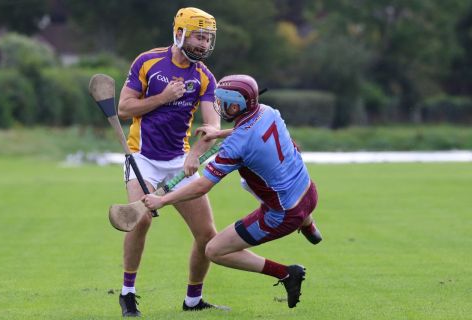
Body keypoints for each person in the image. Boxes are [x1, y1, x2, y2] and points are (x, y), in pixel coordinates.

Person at [142, 74, 323, 309]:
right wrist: (219, 134)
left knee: (214, 250)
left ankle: (287, 273)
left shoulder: (237, 145)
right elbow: (247, 132)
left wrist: (162, 200)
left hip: (284, 215)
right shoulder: (268, 111)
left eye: (223, 102)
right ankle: (310, 227)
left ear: (236, 104)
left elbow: (202, 186)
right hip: (309, 192)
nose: (219, 106)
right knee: (262, 181)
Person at [117, 7, 226, 317]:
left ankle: (193, 300)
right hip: (142, 158)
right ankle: (127, 293)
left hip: (181, 161)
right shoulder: (148, 61)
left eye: (207, 39)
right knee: (141, 218)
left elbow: (212, 127)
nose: (203, 45)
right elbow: (124, 108)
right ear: (179, 34)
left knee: (207, 235)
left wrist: (194, 155)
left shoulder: (204, 76)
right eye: (198, 37)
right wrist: (163, 97)